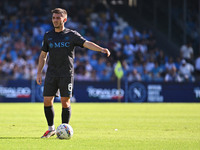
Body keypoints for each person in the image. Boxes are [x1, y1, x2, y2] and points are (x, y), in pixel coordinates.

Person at [36, 8, 110, 138]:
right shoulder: (48, 35)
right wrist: (38, 72)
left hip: (66, 73)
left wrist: (101, 49)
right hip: (51, 73)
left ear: (64, 19)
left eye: (58, 18)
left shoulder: (71, 35)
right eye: (53, 17)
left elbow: (86, 43)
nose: (55, 20)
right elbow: (43, 55)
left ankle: (64, 129)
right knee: (47, 101)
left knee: (65, 102)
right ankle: (51, 129)